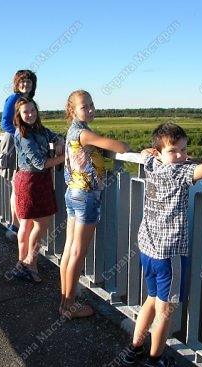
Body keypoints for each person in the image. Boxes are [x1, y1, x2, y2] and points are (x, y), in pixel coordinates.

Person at [121, 123, 202, 367]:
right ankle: (155, 359)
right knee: (165, 310)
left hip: (148, 246)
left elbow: (146, 153)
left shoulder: (151, 164)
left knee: (151, 299)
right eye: (174, 151)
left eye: (184, 150)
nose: (180, 156)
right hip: (170, 253)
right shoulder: (179, 173)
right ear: (160, 153)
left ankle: (135, 348)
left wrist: (166, 153)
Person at [60, 90, 130, 318]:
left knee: (70, 249)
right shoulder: (83, 133)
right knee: (78, 252)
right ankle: (69, 306)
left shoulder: (74, 131)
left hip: (73, 193)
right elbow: (121, 147)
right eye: (84, 107)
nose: (90, 109)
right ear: (72, 111)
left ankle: (65, 300)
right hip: (86, 196)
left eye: (91, 105)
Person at [10, 97, 65, 283]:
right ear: (19, 115)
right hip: (32, 181)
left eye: (33, 110)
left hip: (32, 180)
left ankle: (22, 264)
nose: (30, 114)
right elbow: (40, 163)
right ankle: (30, 263)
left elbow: (53, 135)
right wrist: (66, 157)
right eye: (26, 112)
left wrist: (59, 142)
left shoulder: (38, 129)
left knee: (26, 226)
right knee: (40, 226)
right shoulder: (23, 134)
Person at [0, 69, 38, 237]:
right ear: (17, 83)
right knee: (16, 186)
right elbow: (5, 124)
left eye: (28, 81)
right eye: (22, 81)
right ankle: (15, 225)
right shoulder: (13, 99)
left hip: (22, 144)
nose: (25, 84)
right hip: (13, 145)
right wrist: (23, 133)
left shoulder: (29, 101)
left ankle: (16, 225)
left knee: (17, 187)